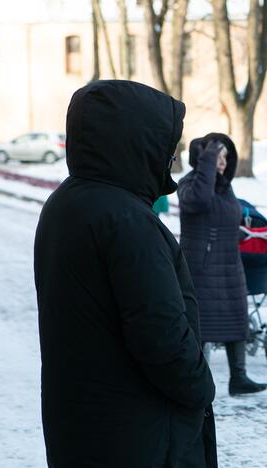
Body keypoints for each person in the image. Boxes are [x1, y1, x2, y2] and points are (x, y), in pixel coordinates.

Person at [34, 80, 217, 468]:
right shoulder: (127, 220)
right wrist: (201, 387)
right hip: (140, 436)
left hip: (83, 426)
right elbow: (161, 334)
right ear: (138, 142)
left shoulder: (66, 202)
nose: (169, 160)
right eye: (166, 149)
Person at [177, 132, 267, 396]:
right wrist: (206, 161)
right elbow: (200, 201)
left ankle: (238, 377)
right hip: (201, 266)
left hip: (229, 264)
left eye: (225, 157)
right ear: (202, 158)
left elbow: (225, 215)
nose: (222, 162)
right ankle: (196, 379)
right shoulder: (189, 184)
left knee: (237, 318)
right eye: (217, 157)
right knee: (201, 323)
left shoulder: (225, 188)